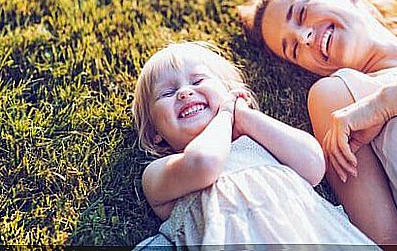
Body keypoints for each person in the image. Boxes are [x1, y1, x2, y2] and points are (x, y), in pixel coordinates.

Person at [238, 0, 397, 246]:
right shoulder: (339, 98)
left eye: (301, 13)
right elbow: (388, 242)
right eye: (294, 50)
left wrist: (382, 106)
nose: (304, 37)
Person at [131, 41, 378, 247]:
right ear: (156, 134)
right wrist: (226, 115)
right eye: (167, 93)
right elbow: (204, 163)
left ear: (232, 94)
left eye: (197, 81)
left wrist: (245, 116)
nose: (184, 93)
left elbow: (313, 165)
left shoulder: (260, 142)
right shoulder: (161, 171)